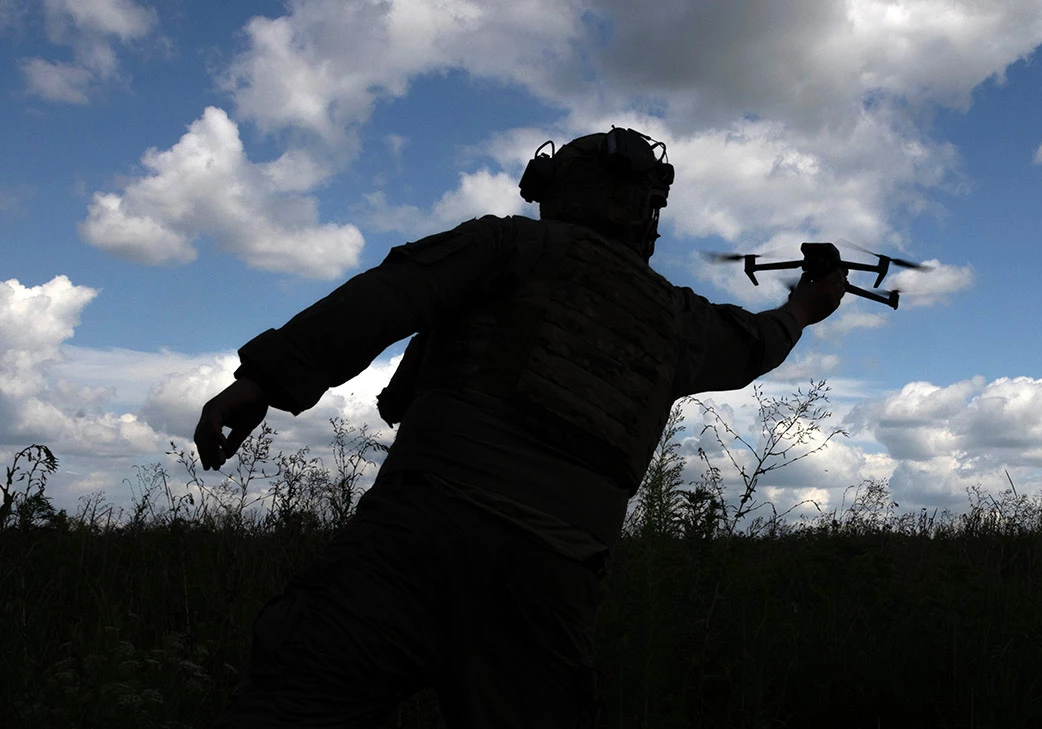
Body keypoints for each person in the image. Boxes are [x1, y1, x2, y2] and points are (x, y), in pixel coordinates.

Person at [195, 127, 846, 728]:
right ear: (645, 209)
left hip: (415, 538)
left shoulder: (509, 246)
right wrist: (804, 306)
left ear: (556, 190)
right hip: (552, 581)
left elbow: (389, 294)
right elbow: (757, 341)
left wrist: (264, 381)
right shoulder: (679, 320)